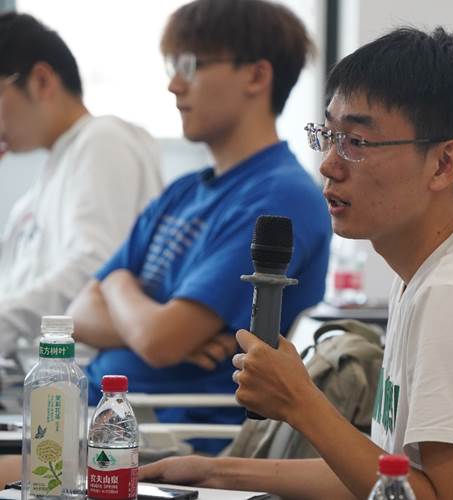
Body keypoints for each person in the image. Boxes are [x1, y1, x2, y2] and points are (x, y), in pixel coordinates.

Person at [140, 26, 453, 499]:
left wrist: (301, 402)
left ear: (443, 164)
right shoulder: (430, 272)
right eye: (328, 135)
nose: (329, 164)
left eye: (356, 142)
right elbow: (387, 476)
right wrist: (215, 473)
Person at [66, 0, 331, 452]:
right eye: (173, 66)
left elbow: (159, 340)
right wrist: (146, 325)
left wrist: (116, 284)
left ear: (256, 76)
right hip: (104, 415)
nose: (174, 84)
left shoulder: (279, 199)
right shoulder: (184, 191)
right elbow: (78, 314)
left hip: (176, 435)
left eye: (191, 65)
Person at [0, 12, 162, 355]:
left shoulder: (103, 140)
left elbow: (96, 269)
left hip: (80, 372)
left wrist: (6, 320)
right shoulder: (49, 174)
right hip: (40, 367)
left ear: (41, 81)